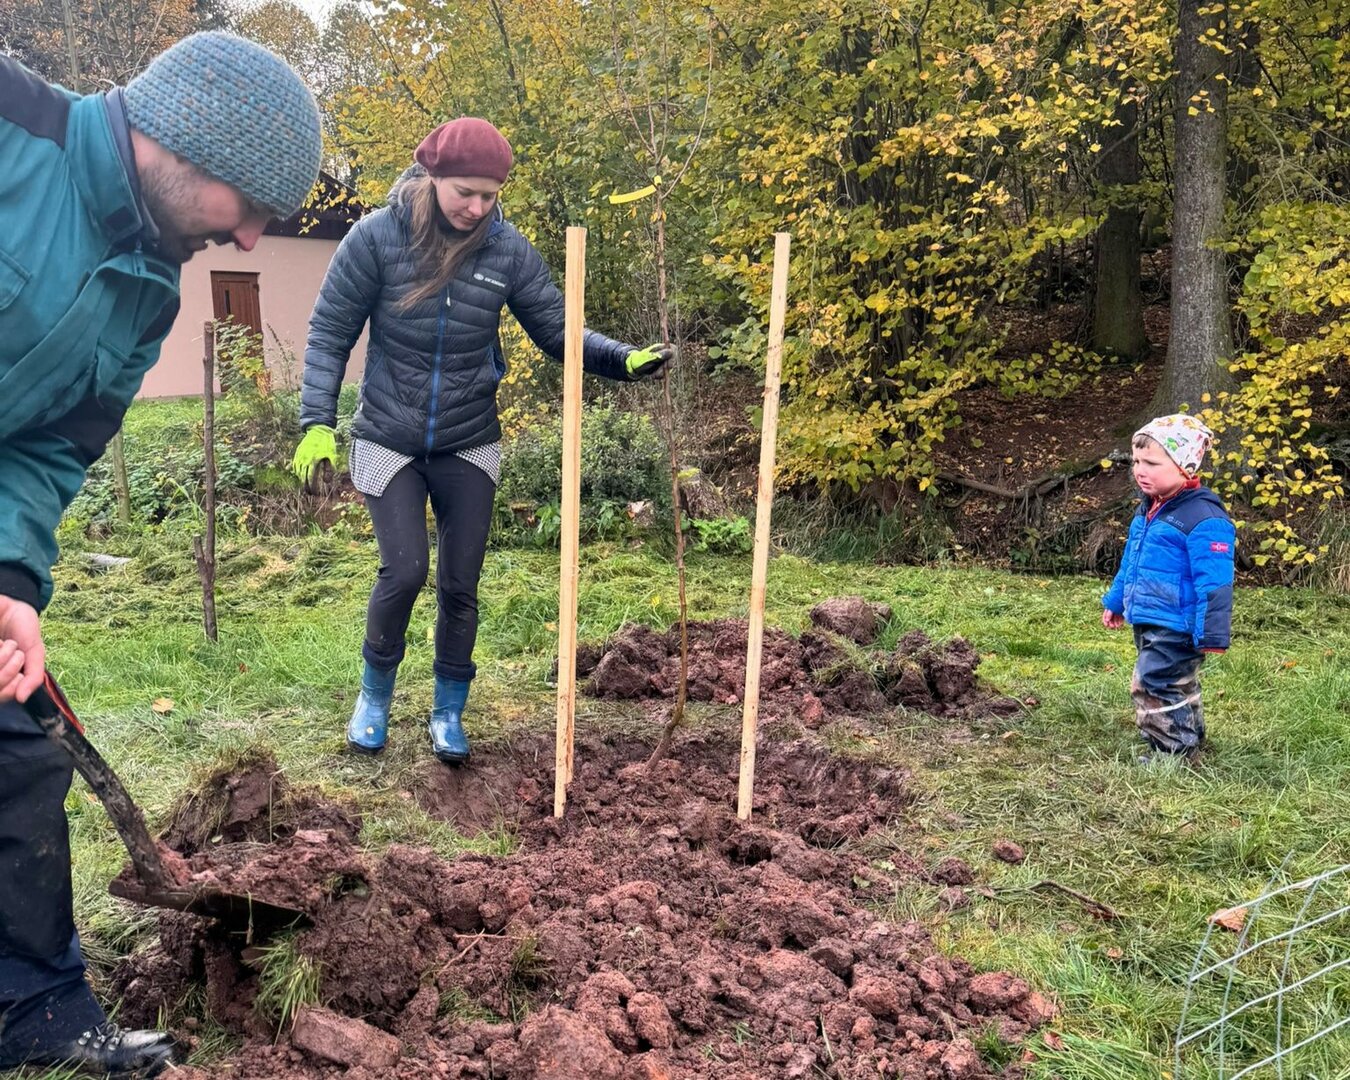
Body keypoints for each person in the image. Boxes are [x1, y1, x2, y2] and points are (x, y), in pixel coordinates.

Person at [0, 33, 321, 1076]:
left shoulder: (150, 292)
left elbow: (48, 449)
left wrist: (10, 580)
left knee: (17, 753)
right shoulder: (12, 125)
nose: (252, 237)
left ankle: (36, 1008)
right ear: (186, 141)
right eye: (252, 204)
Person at [292, 118, 670, 765]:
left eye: (489, 196)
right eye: (464, 192)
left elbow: (556, 328)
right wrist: (317, 422)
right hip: (387, 435)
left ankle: (448, 711)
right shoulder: (376, 238)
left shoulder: (506, 251)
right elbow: (330, 333)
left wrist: (619, 358)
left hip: (468, 438)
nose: (476, 206)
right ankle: (374, 697)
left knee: (460, 581)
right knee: (405, 570)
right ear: (432, 178)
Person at [1101, 414, 1235, 763]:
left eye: (1152, 463)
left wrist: (1212, 633)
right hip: (1150, 616)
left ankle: (1171, 752)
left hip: (1178, 624)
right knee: (1176, 682)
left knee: (1153, 681)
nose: (1140, 471)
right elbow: (1131, 562)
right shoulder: (1149, 510)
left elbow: (1215, 582)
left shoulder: (1204, 518)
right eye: (1136, 462)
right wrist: (1116, 601)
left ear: (1184, 467)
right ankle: (1188, 740)